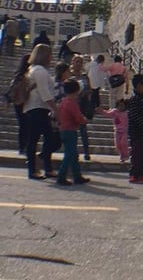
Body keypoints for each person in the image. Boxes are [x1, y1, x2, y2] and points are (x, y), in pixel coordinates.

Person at [23, 44, 60, 180]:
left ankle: (40, 168)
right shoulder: (40, 71)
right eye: (49, 54)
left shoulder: (33, 70)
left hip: (34, 108)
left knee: (36, 139)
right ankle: (39, 167)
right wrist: (55, 109)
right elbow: (45, 93)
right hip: (38, 108)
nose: (51, 57)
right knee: (49, 139)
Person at [55, 79, 90, 186]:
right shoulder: (72, 103)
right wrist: (84, 120)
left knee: (73, 154)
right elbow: (78, 117)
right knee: (70, 154)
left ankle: (77, 175)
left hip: (63, 129)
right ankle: (61, 176)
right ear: (77, 90)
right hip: (70, 130)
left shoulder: (63, 102)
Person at [68, 55, 94, 161]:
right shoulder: (69, 76)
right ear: (72, 63)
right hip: (71, 104)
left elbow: (90, 90)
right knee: (71, 130)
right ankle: (72, 151)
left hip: (82, 105)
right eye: (76, 61)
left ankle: (86, 152)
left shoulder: (85, 76)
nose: (78, 64)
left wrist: (86, 92)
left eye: (80, 62)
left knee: (83, 129)